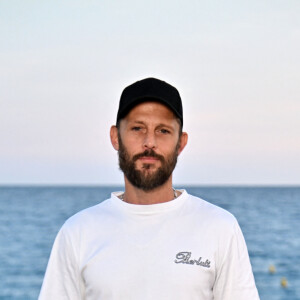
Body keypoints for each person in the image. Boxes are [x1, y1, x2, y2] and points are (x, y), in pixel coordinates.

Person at [39, 78, 260, 299]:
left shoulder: (219, 228)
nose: (149, 142)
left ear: (181, 143)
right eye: (137, 128)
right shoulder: (78, 232)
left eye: (163, 131)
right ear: (116, 137)